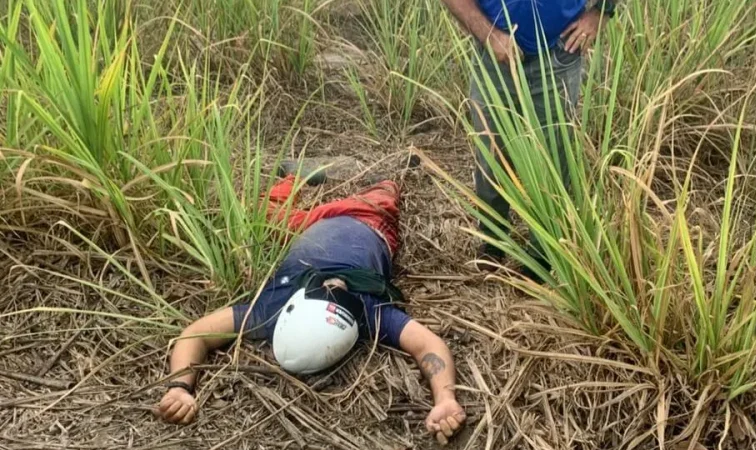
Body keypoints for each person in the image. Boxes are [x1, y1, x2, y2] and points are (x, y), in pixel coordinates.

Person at [154, 176, 466, 445]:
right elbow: (428, 345)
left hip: (306, 225)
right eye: (341, 297)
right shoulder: (368, 310)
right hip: (371, 219)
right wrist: (445, 399)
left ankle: (293, 177)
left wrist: (180, 386)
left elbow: (198, 333)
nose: (338, 286)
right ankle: (383, 180)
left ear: (297, 303)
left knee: (264, 210)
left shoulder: (272, 308)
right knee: (385, 192)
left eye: (325, 292)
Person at [441, 0, 615, 275]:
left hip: (559, 53)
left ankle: (543, 253)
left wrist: (602, 12)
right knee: (491, 154)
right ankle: (494, 239)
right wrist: (488, 33)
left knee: (553, 160)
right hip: (494, 55)